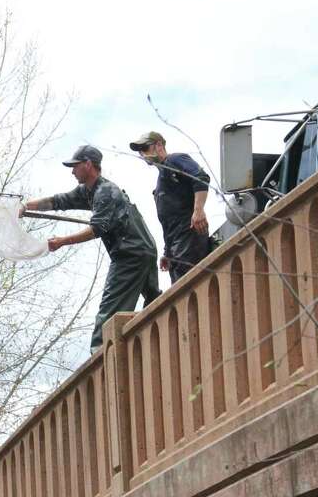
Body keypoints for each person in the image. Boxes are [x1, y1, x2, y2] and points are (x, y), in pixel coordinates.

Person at [23, 144, 160, 351]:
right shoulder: (88, 191)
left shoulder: (106, 191)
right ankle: (155, 342)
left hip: (130, 255)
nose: (72, 171)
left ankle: (101, 357)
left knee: (108, 315)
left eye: (75, 166)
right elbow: (57, 201)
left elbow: (97, 229)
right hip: (144, 250)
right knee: (154, 303)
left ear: (88, 165)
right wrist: (24, 207)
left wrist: (61, 241)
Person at [128, 131, 211, 283]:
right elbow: (168, 222)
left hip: (189, 234)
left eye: (145, 148)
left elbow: (201, 178)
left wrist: (198, 210)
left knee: (188, 285)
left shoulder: (175, 159)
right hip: (176, 245)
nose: (142, 154)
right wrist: (167, 252)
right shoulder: (160, 182)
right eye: (140, 151)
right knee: (179, 288)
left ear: (159, 145)